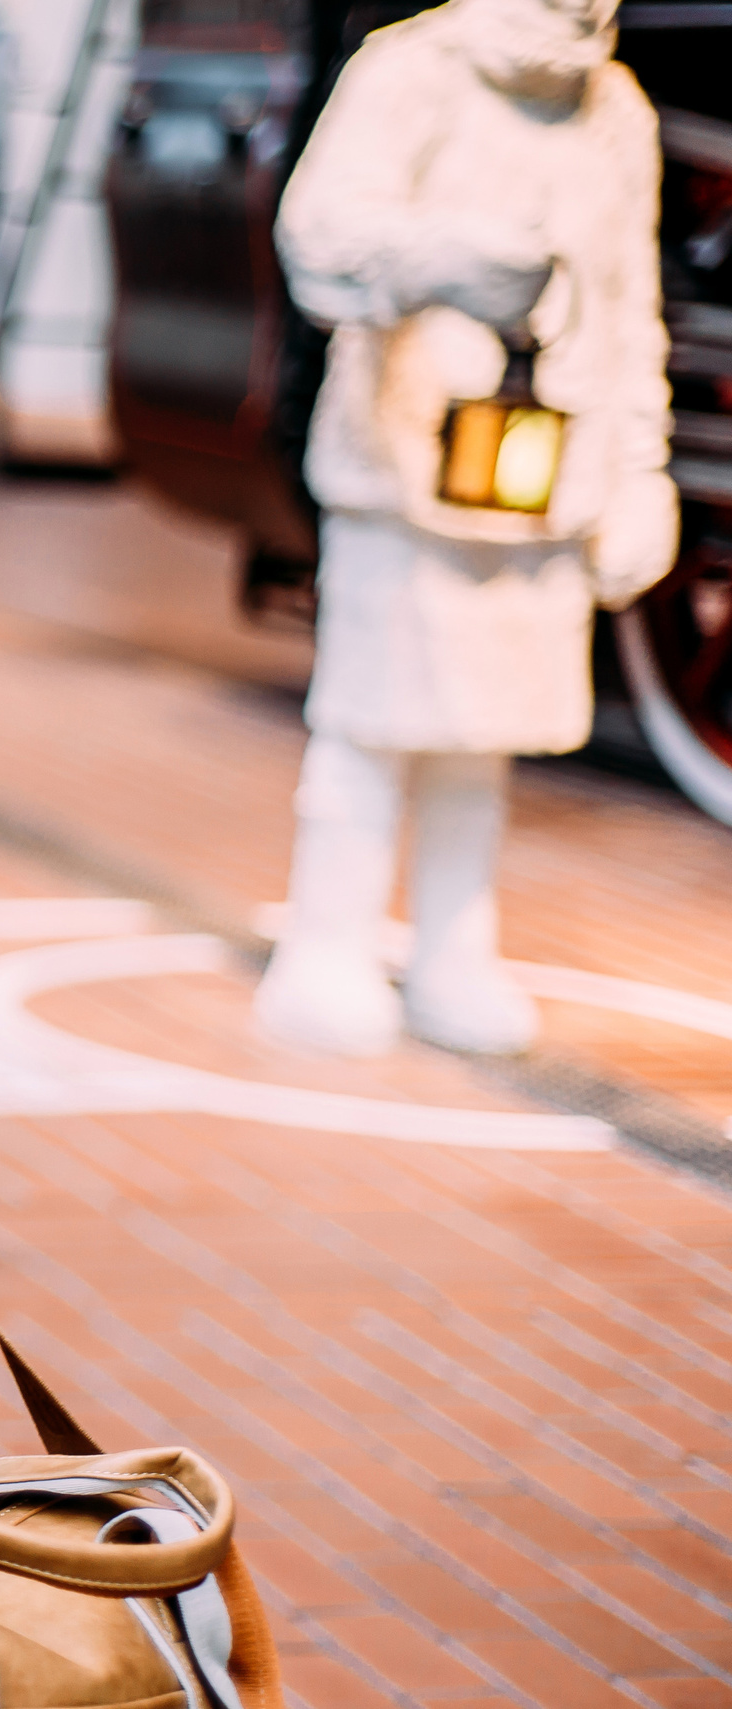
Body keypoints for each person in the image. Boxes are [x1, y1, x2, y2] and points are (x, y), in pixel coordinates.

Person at [255, 0, 674, 1056]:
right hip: (403, 450)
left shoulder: (613, 104)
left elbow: (631, 303)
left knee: (482, 736)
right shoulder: (410, 68)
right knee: (368, 718)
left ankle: (453, 945)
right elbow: (317, 233)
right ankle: (328, 942)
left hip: (545, 457)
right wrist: (443, 258)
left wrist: (639, 469)